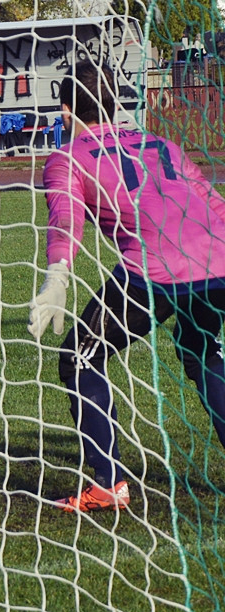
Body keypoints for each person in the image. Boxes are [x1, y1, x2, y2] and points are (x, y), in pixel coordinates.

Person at [29, 60, 225, 513]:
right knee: (200, 348)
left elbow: (65, 219)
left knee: (80, 356)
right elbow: (211, 200)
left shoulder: (68, 155)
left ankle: (109, 483)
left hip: (154, 271)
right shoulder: (163, 143)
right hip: (218, 262)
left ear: (64, 110)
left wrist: (56, 276)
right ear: (115, 103)